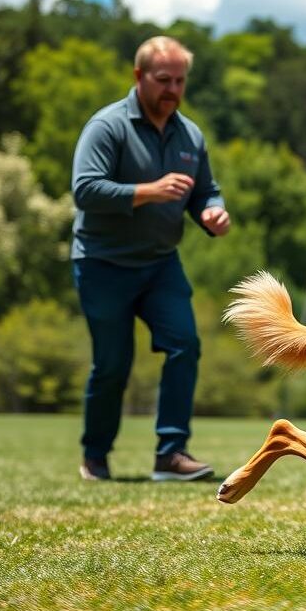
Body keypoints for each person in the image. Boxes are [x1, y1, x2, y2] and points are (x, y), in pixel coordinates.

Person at [71, 36, 230, 481]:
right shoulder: (107, 127)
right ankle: (95, 456)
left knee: (185, 345)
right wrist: (148, 191)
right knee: (113, 364)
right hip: (102, 263)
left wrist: (212, 211)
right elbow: (85, 190)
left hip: (160, 264)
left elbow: (205, 190)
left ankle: (171, 454)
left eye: (180, 81)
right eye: (163, 80)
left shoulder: (190, 134)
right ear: (139, 76)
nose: (172, 89)